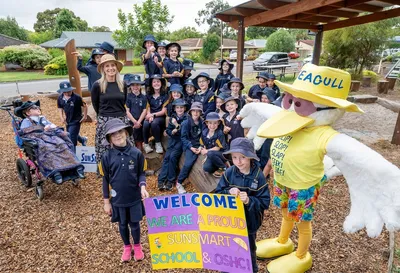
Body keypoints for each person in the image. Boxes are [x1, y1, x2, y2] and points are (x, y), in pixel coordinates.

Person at [215, 137, 270, 273]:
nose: (238, 162)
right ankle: (227, 269)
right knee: (229, 248)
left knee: (248, 249)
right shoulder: (229, 173)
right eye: (234, 157)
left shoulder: (258, 176)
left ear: (250, 157)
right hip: (230, 222)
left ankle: (251, 270)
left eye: (242, 157)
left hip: (250, 222)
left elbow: (265, 202)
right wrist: (228, 192)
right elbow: (218, 193)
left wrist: (249, 201)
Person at [100, 119, 149, 263]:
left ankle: (138, 246)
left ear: (126, 132)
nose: (117, 135)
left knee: (134, 224)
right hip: (118, 200)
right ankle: (127, 247)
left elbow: (141, 173)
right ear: (109, 138)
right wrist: (106, 202)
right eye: (113, 134)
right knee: (122, 224)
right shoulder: (107, 156)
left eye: (120, 131)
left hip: (133, 197)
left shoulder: (136, 153)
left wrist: (143, 187)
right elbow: (105, 179)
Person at [17, 100, 85, 183]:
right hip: (39, 140)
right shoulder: (26, 121)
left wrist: (51, 128)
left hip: (51, 137)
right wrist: (41, 129)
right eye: (34, 108)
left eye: (38, 107)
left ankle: (75, 166)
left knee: (62, 144)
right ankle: (56, 172)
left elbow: (54, 126)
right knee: (47, 149)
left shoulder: (43, 119)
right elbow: (25, 133)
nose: (38, 109)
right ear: (28, 113)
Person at [91, 54, 133, 169]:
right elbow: (95, 104)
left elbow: (123, 100)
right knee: (106, 150)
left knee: (125, 146)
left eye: (113, 65)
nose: (110, 68)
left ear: (116, 67)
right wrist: (102, 117)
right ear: (103, 69)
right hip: (105, 120)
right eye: (107, 66)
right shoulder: (98, 85)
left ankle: (125, 171)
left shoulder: (122, 84)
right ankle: (107, 174)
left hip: (121, 119)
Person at [158, 98, 188, 192]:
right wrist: (172, 132)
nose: (179, 109)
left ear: (185, 108)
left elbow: (184, 131)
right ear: (174, 108)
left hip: (180, 141)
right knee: (166, 157)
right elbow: (168, 131)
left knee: (173, 157)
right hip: (172, 140)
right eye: (178, 107)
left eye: (181, 107)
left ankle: (170, 180)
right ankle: (161, 180)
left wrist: (176, 127)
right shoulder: (172, 118)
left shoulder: (187, 118)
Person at [176, 102, 203, 193]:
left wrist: (201, 146)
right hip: (190, 146)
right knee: (188, 163)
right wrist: (191, 147)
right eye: (194, 111)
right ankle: (179, 182)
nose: (196, 113)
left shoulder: (202, 122)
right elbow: (183, 138)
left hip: (200, 145)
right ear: (190, 112)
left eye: (198, 111)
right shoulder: (186, 123)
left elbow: (204, 135)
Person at [57, 81, 88, 151]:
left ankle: (73, 154)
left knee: (71, 138)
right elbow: (60, 108)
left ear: (71, 89)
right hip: (68, 119)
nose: (67, 93)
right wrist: (61, 117)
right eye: (65, 92)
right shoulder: (60, 98)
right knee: (71, 133)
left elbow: (85, 106)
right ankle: (83, 139)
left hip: (76, 120)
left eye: (69, 91)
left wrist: (85, 116)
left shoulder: (77, 97)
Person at [143, 74, 168, 154]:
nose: (156, 83)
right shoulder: (148, 95)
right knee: (146, 123)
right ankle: (146, 144)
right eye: (154, 82)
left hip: (160, 117)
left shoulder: (165, 95)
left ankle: (158, 143)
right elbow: (148, 107)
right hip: (150, 115)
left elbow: (164, 111)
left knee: (154, 123)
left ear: (161, 83)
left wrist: (153, 115)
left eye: (158, 81)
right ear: (151, 84)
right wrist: (149, 114)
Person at [200, 112, 229, 178]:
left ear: (218, 123)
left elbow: (218, 148)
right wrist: (204, 153)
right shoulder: (204, 132)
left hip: (222, 154)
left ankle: (224, 168)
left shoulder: (219, 133)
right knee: (206, 168)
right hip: (211, 154)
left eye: (215, 123)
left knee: (210, 153)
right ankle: (218, 166)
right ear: (206, 123)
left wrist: (207, 152)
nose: (212, 126)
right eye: (210, 123)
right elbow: (202, 144)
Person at [125, 74, 147, 151]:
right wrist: (134, 122)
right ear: (130, 86)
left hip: (141, 121)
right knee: (131, 135)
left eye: (137, 85)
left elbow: (144, 110)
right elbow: (127, 111)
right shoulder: (128, 97)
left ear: (140, 86)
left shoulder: (143, 97)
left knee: (140, 137)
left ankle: (140, 150)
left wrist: (139, 122)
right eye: (133, 85)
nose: (135, 87)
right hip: (131, 121)